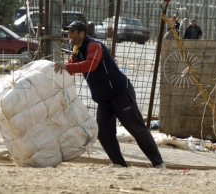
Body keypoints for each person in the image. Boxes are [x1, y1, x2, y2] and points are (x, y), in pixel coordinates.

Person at [54, 21, 165, 169]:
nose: (70, 36)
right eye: (69, 33)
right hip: (104, 98)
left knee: (136, 128)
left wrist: (68, 66)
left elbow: (90, 64)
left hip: (119, 93)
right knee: (104, 132)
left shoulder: (94, 46)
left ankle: (158, 163)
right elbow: (71, 67)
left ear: (82, 33)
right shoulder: (77, 49)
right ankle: (119, 163)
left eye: (72, 33)